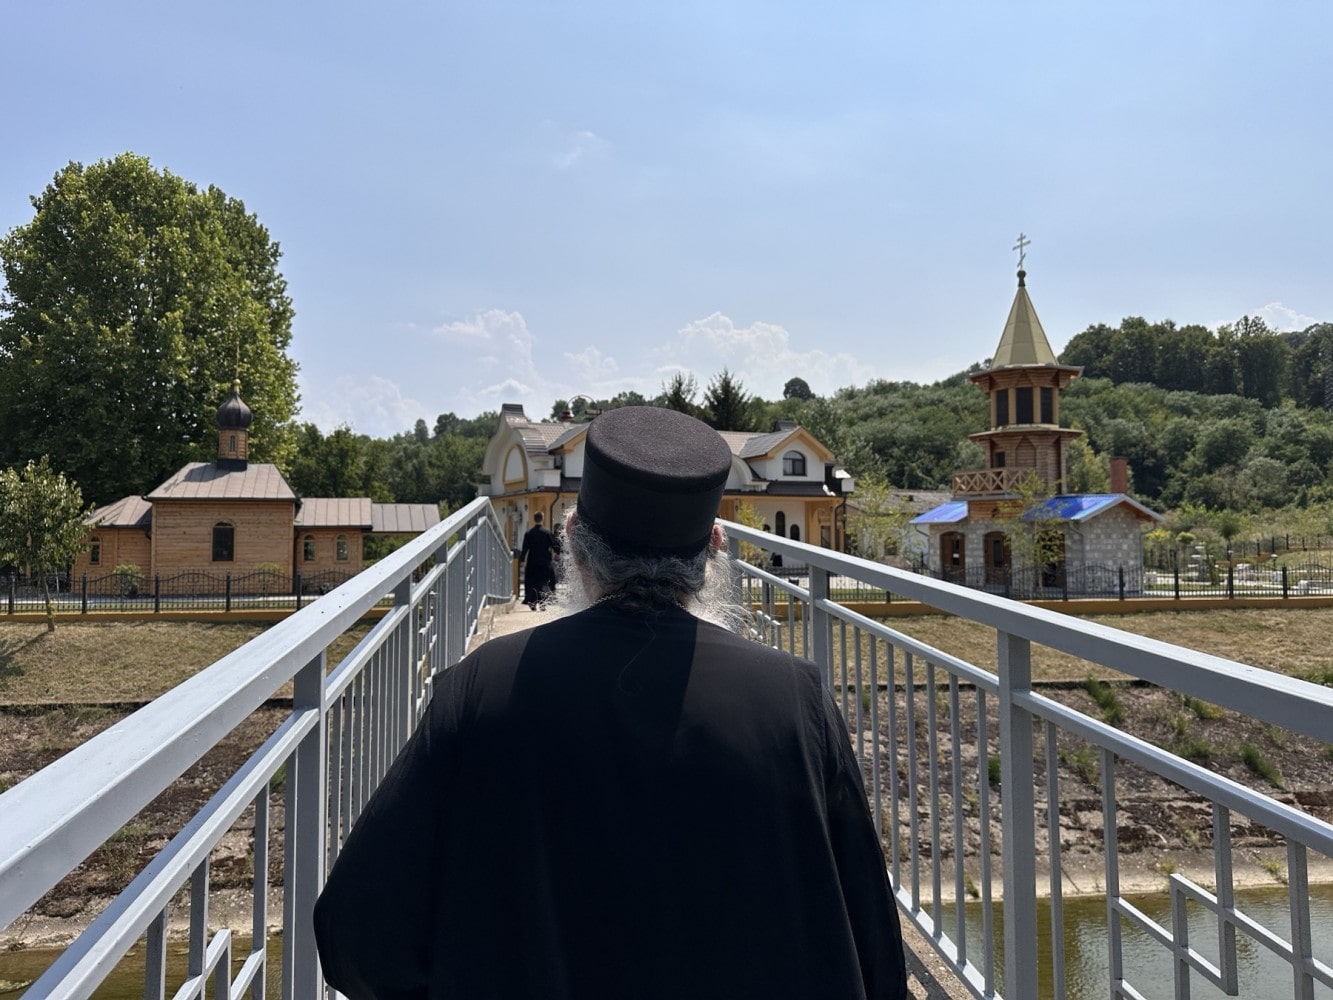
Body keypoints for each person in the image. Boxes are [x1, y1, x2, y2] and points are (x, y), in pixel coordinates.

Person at [313, 405, 909, 1000]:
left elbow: (356, 934)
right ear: (714, 548)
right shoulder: (797, 698)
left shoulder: (480, 686)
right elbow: (877, 956)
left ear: (573, 540)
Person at [519, 510, 561, 609]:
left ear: (534, 519)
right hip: (545, 562)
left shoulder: (528, 533)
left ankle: (532, 603)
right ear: (542, 519)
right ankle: (543, 603)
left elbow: (525, 548)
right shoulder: (547, 533)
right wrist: (557, 553)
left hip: (532, 561)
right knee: (545, 582)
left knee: (532, 582)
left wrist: (522, 560)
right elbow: (555, 545)